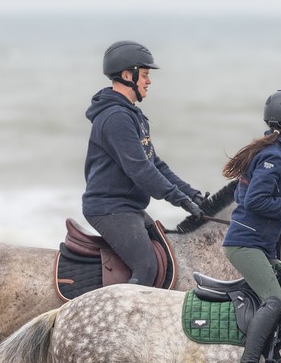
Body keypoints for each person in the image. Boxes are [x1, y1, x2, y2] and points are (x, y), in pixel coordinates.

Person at [82, 40, 205, 286]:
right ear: (128, 75)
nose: (149, 81)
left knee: (168, 252)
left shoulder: (132, 115)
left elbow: (155, 163)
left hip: (128, 206)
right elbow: (140, 170)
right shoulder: (116, 118)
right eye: (145, 75)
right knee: (146, 266)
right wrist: (179, 200)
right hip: (110, 209)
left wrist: (192, 194)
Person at [222, 89, 281, 363]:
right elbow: (256, 201)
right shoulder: (272, 156)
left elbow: (242, 194)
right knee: (276, 298)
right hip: (245, 245)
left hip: (258, 243)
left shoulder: (273, 154)